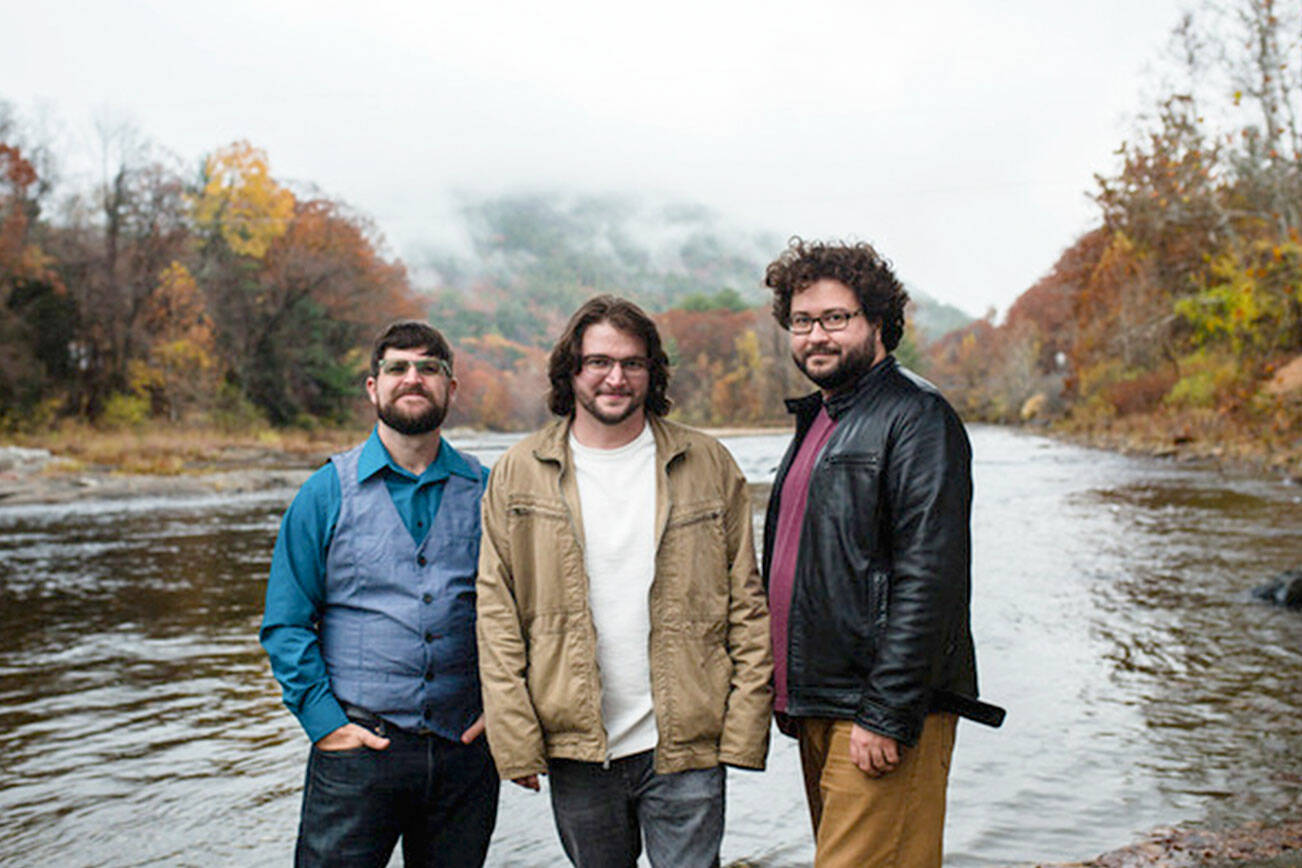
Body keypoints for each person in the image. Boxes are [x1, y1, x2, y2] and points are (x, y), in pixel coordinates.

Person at [476, 294, 772, 868]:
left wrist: (742, 728)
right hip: (578, 747)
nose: (616, 377)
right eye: (599, 362)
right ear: (572, 370)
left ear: (652, 372)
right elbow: (497, 614)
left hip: (685, 743)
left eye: (633, 363)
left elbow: (747, 604)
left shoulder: (708, 464)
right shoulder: (516, 473)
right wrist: (515, 742)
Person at [761, 239, 1004, 868]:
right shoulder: (822, 417)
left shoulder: (916, 417)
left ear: (877, 322)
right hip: (820, 705)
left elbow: (932, 578)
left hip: (876, 712)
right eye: (803, 321)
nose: (817, 335)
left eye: (836, 318)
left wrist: (887, 712)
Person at [260, 320, 498, 868]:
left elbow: (526, 613)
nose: (412, 379)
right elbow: (286, 623)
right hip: (356, 752)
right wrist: (325, 724)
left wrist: (507, 710)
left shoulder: (489, 490)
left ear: (450, 388)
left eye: (429, 368)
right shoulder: (324, 493)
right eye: (397, 367)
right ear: (374, 386)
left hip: (465, 755)